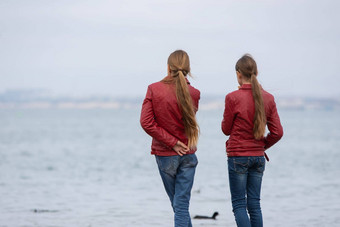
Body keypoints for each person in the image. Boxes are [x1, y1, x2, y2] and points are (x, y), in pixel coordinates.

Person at [221, 54, 283, 227]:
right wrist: (262, 146)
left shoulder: (232, 97)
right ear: (255, 72)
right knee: (255, 205)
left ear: (238, 74)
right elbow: (277, 132)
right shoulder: (268, 98)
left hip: (238, 157)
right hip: (258, 157)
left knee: (239, 204)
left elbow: (225, 130)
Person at [140, 50, 200, 227]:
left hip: (166, 155)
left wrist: (172, 143)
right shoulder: (194, 93)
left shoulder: (154, 89)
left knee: (179, 205)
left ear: (168, 68)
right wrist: (175, 142)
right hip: (188, 154)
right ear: (188, 69)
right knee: (180, 205)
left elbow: (146, 122)